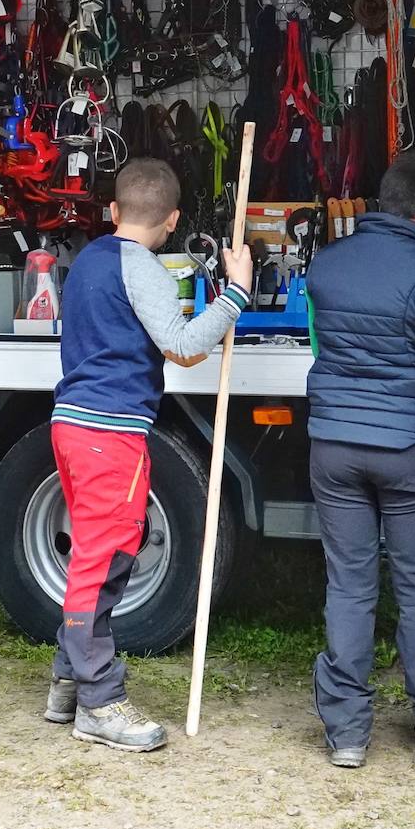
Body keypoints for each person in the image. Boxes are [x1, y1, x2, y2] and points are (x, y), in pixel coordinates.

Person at [45, 158, 253, 752]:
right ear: (173, 219)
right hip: (110, 432)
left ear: (113, 211)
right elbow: (183, 347)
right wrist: (236, 290)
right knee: (103, 560)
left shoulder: (86, 260)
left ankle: (67, 682)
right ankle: (99, 702)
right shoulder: (146, 269)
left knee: (95, 552)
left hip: (72, 424)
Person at [304, 150, 415, 770]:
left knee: (349, 584)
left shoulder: (326, 264)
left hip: (334, 449)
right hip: (406, 448)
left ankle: (348, 731)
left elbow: (322, 347)